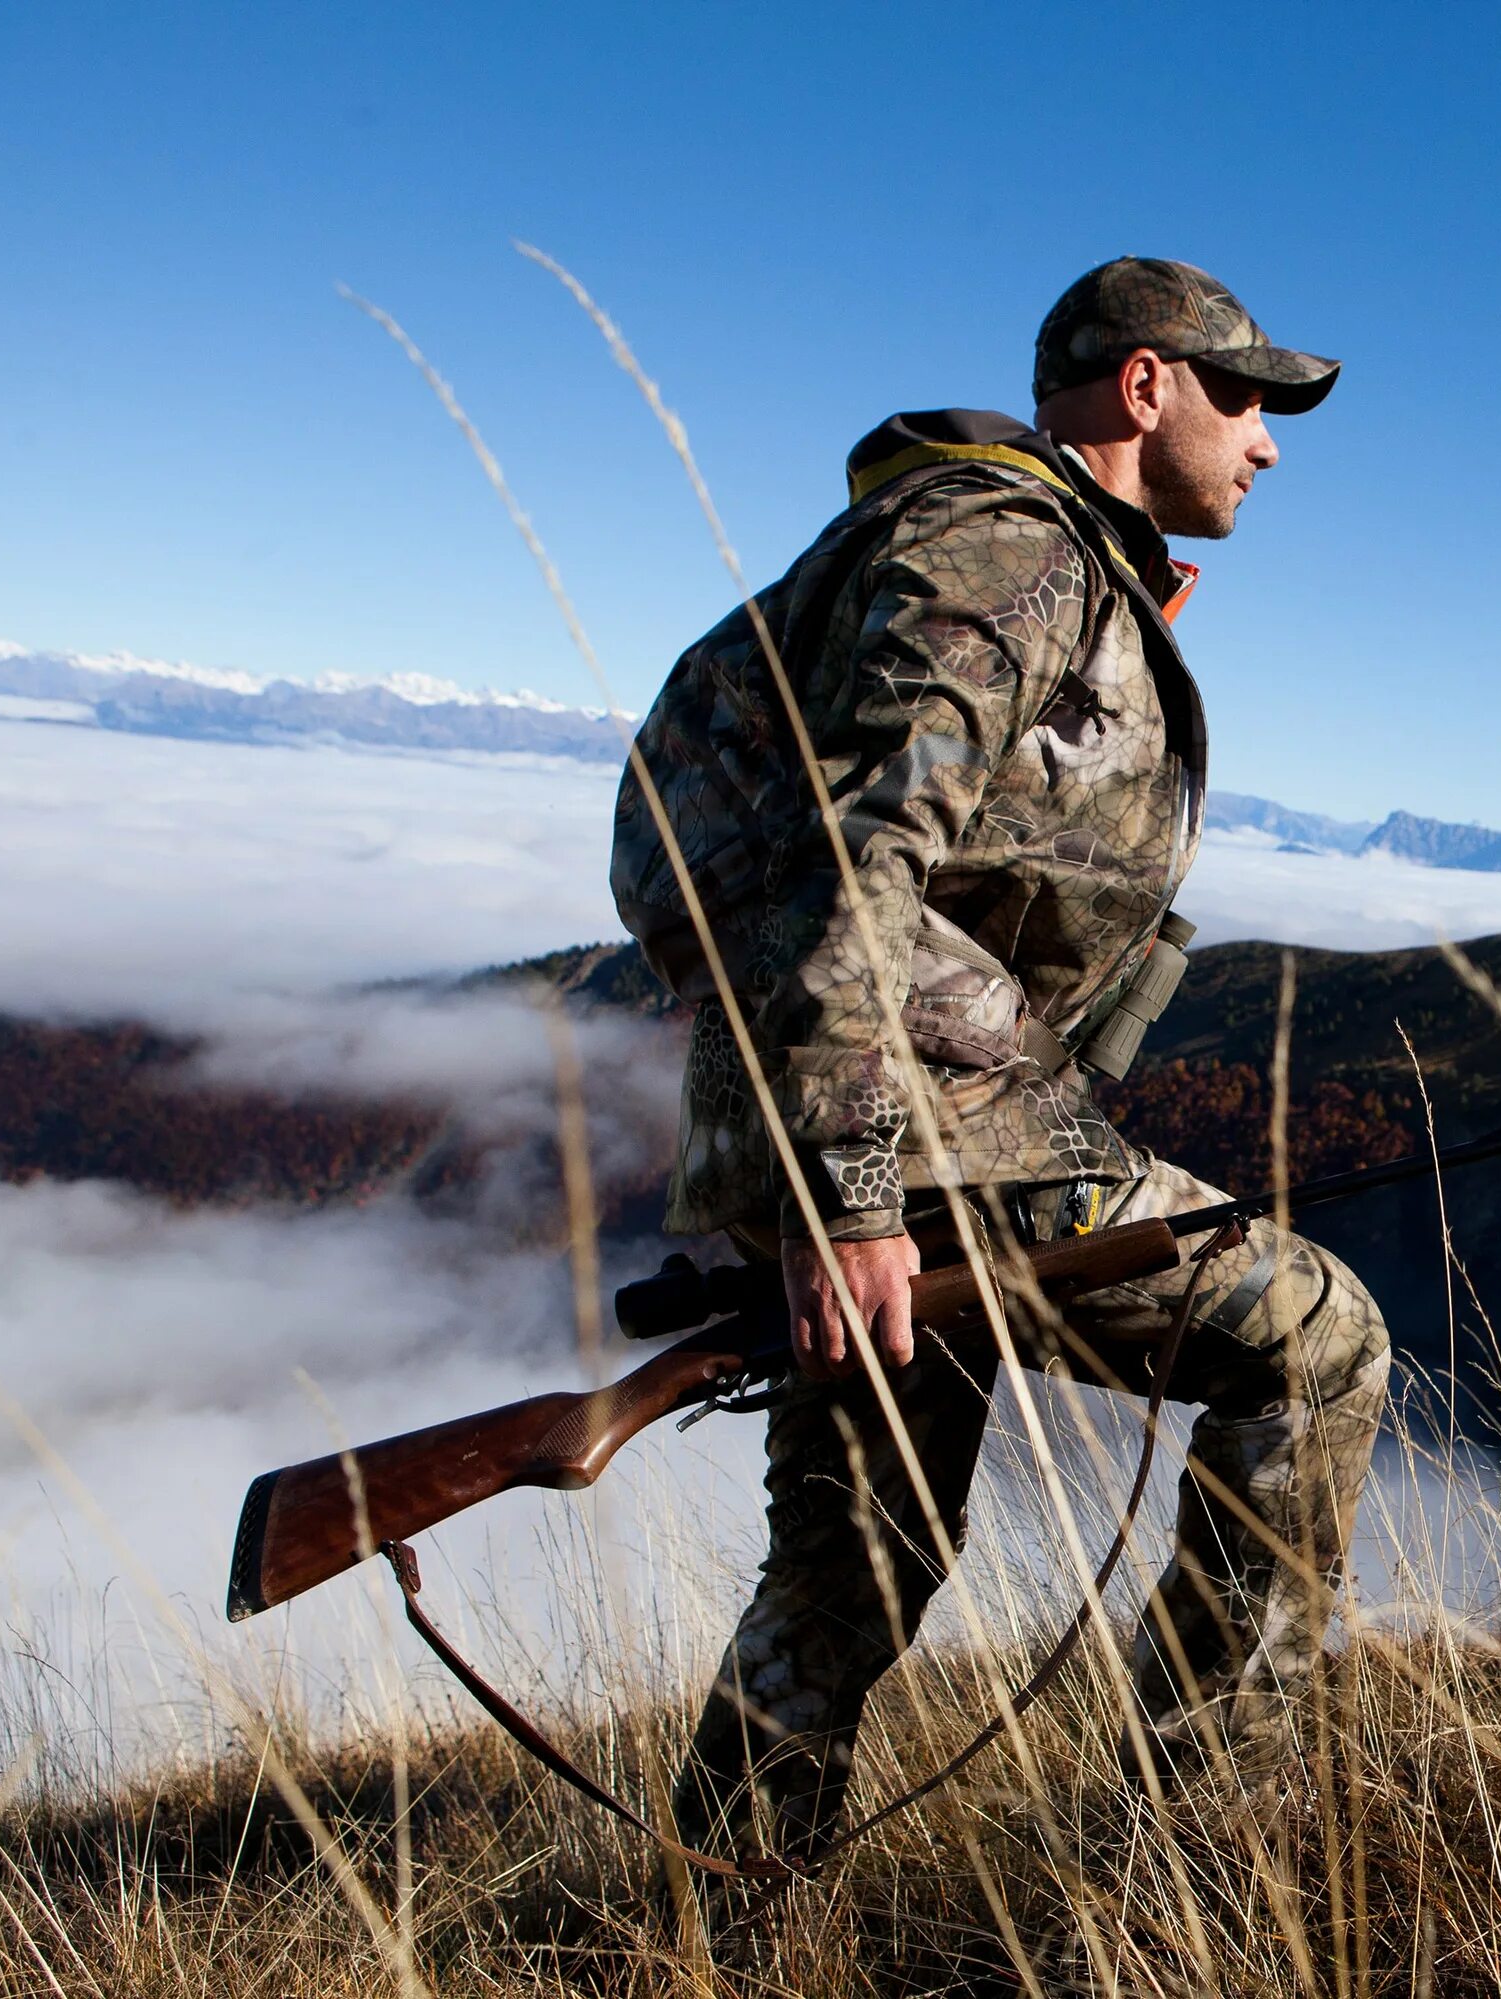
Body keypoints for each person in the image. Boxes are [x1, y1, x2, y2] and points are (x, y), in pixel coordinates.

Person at [607, 257, 1390, 1861]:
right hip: (914, 1132)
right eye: (1244, 396)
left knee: (862, 1551)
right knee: (1318, 1344)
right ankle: (1210, 1853)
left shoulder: (1014, 543)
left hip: (850, 1119)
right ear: (1146, 383)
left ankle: (724, 1897)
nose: (1270, 440)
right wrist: (857, 1193)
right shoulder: (1008, 548)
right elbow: (857, 855)